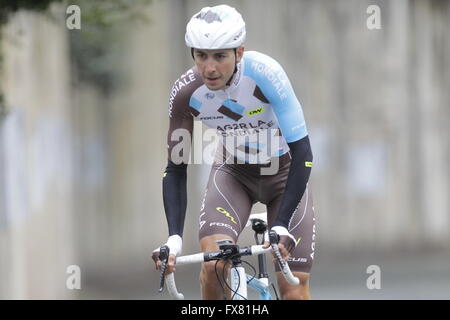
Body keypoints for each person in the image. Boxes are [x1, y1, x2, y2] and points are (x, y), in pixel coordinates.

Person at [153, 4, 316, 300]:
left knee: (293, 288)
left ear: (239, 53)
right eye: (201, 56)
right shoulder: (186, 93)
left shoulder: (265, 74)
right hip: (233, 175)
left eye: (220, 56)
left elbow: (303, 152)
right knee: (215, 264)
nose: (210, 68)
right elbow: (176, 168)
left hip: (283, 175)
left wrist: (281, 225)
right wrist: (174, 238)